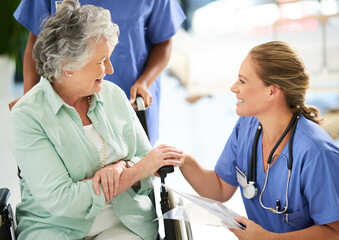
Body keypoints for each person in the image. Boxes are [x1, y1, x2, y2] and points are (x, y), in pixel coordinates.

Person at [10, 1, 183, 239]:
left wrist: (123, 166)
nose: (110, 69)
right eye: (102, 61)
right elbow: (64, 201)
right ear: (67, 65)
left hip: (123, 221)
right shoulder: (28, 115)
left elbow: (145, 160)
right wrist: (134, 172)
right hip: (54, 226)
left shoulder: (113, 96)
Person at [179, 41, 339, 239]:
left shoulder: (316, 153)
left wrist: (268, 238)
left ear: (272, 91)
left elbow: (335, 232)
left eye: (242, 81)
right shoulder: (246, 126)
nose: (233, 88)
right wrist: (183, 160)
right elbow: (220, 189)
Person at [11, 0, 186, 146]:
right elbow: (36, 44)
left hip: (130, 103)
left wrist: (145, 82)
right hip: (65, 107)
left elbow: (163, 43)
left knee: (137, 175)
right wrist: (30, 103)